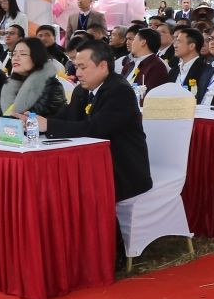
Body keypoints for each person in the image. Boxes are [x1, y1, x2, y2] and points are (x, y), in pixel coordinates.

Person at [40, 42, 153, 248]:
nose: (77, 73)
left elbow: (95, 128)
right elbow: (68, 117)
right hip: (91, 162)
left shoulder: (119, 91)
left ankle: (103, 247)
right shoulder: (83, 90)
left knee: (71, 187)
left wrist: (48, 125)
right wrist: (35, 122)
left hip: (122, 168)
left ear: (102, 66)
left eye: (83, 67)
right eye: (76, 66)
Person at [168, 26, 206, 92]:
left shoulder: (205, 70)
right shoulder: (173, 71)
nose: (175, 45)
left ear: (191, 46)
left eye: (179, 42)